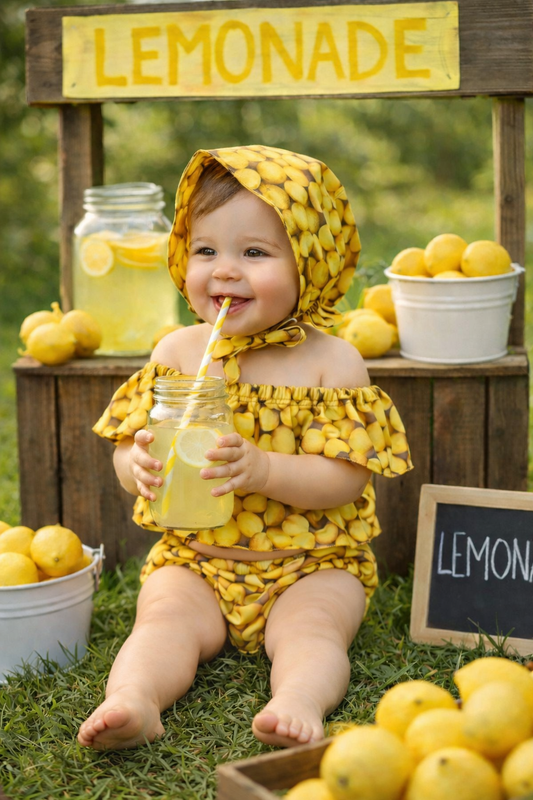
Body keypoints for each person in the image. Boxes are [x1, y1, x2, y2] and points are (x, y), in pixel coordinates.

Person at [78, 145, 413, 751]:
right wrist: (139, 466)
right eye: (205, 251)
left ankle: (298, 701)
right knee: (161, 622)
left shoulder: (331, 363)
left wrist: (261, 468)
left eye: (254, 253)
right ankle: (134, 699)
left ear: (310, 261)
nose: (224, 270)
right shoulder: (179, 353)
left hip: (314, 563)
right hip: (197, 559)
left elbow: (346, 480)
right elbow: (128, 448)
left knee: (313, 633)